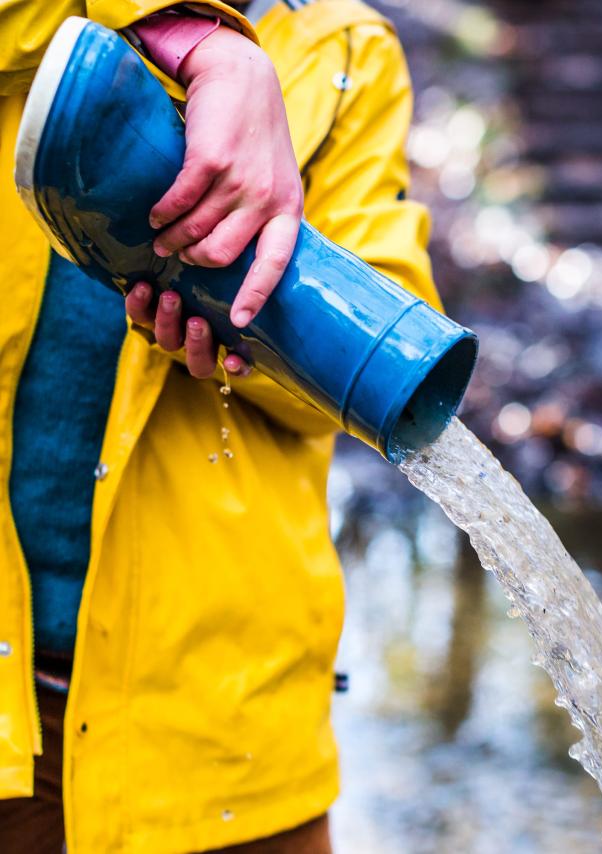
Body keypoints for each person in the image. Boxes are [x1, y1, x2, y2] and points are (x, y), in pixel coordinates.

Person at [0, 0, 441, 852]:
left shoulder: (340, 47)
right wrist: (190, 34)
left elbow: (373, 379)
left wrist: (240, 303)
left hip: (220, 743)